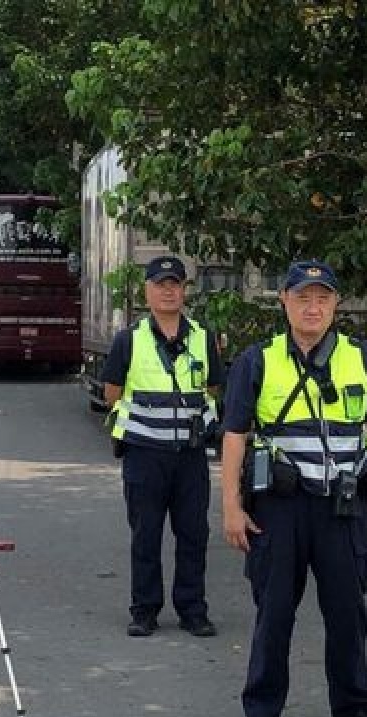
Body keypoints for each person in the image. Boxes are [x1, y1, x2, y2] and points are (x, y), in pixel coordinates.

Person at [221, 259, 367, 717]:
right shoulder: (257, 361)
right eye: (302, 297)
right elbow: (235, 438)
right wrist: (231, 508)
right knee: (275, 611)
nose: (312, 306)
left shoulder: (359, 357)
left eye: (322, 297)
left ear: (335, 305)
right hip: (279, 509)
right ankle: (261, 714)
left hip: (342, 509)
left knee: (348, 613)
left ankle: (353, 710)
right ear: (283, 300)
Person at [102, 255, 224, 637]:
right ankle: (144, 609)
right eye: (161, 284)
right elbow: (112, 393)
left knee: (193, 534)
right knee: (146, 534)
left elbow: (213, 388)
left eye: (175, 284)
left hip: (190, 456)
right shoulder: (129, 338)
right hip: (144, 455)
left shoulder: (203, 337)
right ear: (147, 291)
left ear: (185, 290)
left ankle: (192, 609)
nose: (168, 290)